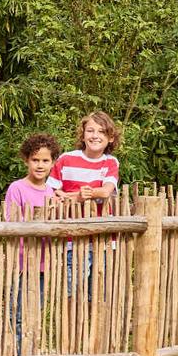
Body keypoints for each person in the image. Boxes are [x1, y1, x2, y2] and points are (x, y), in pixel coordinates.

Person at [4, 133, 62, 354]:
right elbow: (12, 223)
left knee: (35, 315)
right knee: (17, 315)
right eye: (35, 160)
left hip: (42, 265)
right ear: (26, 160)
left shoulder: (52, 193)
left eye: (45, 160)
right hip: (20, 264)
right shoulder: (17, 188)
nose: (40, 165)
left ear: (53, 163)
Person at [56, 111, 121, 294]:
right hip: (73, 238)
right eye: (90, 130)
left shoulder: (110, 162)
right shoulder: (66, 159)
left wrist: (87, 193)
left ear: (110, 138)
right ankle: (69, 323)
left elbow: (106, 191)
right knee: (72, 292)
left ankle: (100, 323)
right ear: (83, 135)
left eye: (101, 132)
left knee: (101, 293)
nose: (95, 136)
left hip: (104, 239)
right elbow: (52, 192)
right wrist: (77, 197)